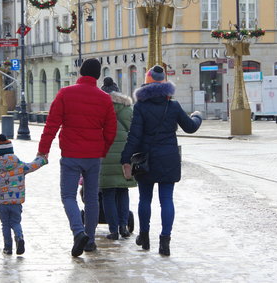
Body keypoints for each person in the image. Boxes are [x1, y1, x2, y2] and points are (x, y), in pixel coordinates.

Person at [37, 58, 117, 257]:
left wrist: (43, 150)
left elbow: (51, 125)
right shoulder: (104, 98)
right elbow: (111, 130)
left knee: (68, 196)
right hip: (93, 156)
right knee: (91, 198)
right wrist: (102, 150)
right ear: (98, 76)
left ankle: (78, 231)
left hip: (71, 154)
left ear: (81, 72)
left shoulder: (66, 93)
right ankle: (89, 239)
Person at [120, 65, 202, 256]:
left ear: (146, 84)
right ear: (165, 85)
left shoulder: (140, 107)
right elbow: (190, 127)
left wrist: (125, 159)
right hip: (169, 158)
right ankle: (165, 241)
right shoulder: (173, 106)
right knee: (166, 200)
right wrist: (197, 117)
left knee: (145, 199)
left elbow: (134, 136)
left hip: (146, 160)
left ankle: (144, 237)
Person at [0, 134, 48, 255]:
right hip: (16, 203)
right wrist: (42, 159)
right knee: (16, 222)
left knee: (5, 224)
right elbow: (33, 165)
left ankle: (8, 248)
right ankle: (19, 238)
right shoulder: (20, 166)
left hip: (2, 204)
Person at [99, 77, 137, 240]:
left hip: (104, 153)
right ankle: (123, 227)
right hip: (124, 154)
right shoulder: (127, 107)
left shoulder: (98, 106)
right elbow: (133, 129)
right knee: (122, 190)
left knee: (108, 193)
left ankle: (113, 230)